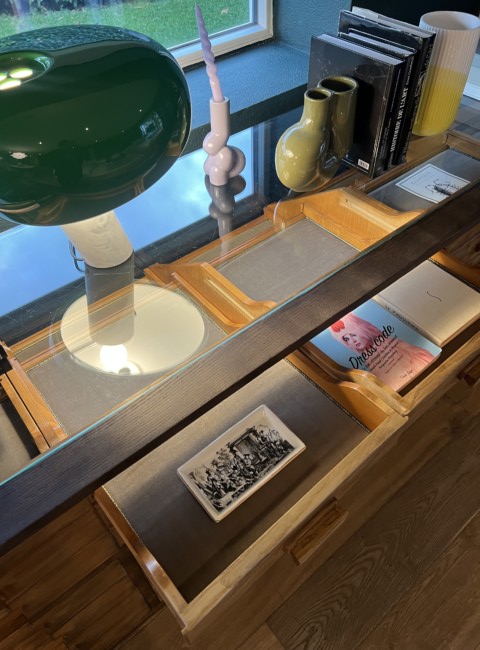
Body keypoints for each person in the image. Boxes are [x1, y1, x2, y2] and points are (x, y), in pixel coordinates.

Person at [329, 313, 436, 391]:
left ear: (362, 330)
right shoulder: (367, 359)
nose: (352, 341)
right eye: (346, 339)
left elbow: (416, 357)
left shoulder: (386, 342)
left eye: (353, 334)